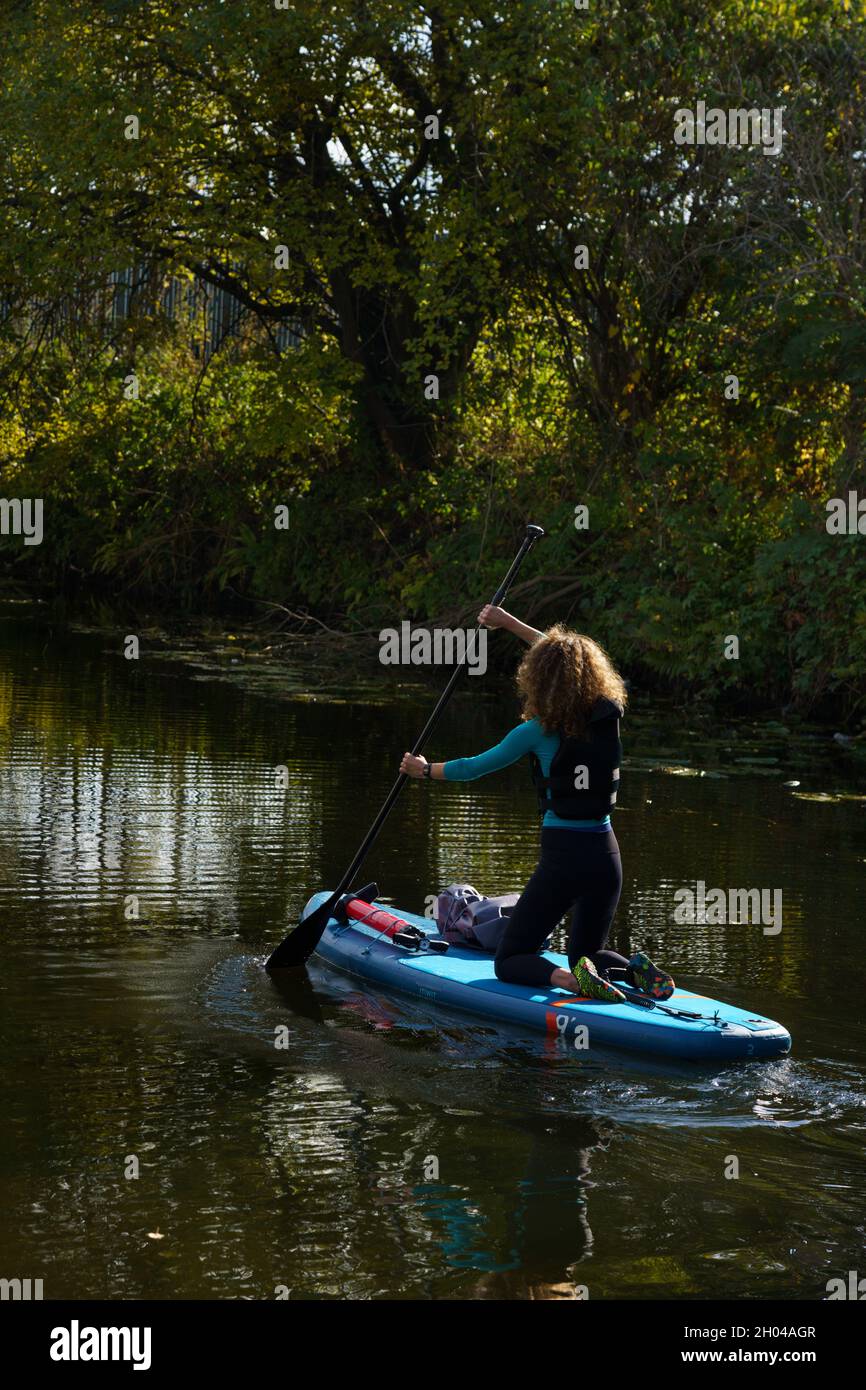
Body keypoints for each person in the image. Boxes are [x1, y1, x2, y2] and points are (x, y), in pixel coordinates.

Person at [399, 606, 674, 1003]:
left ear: (538, 678)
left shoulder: (535, 732)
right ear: (594, 676)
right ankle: (631, 971)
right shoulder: (608, 715)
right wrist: (509, 623)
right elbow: (563, 658)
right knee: (588, 953)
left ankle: (570, 981)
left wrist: (425, 770)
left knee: (511, 957)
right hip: (607, 855)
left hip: (565, 859)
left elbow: (473, 767)